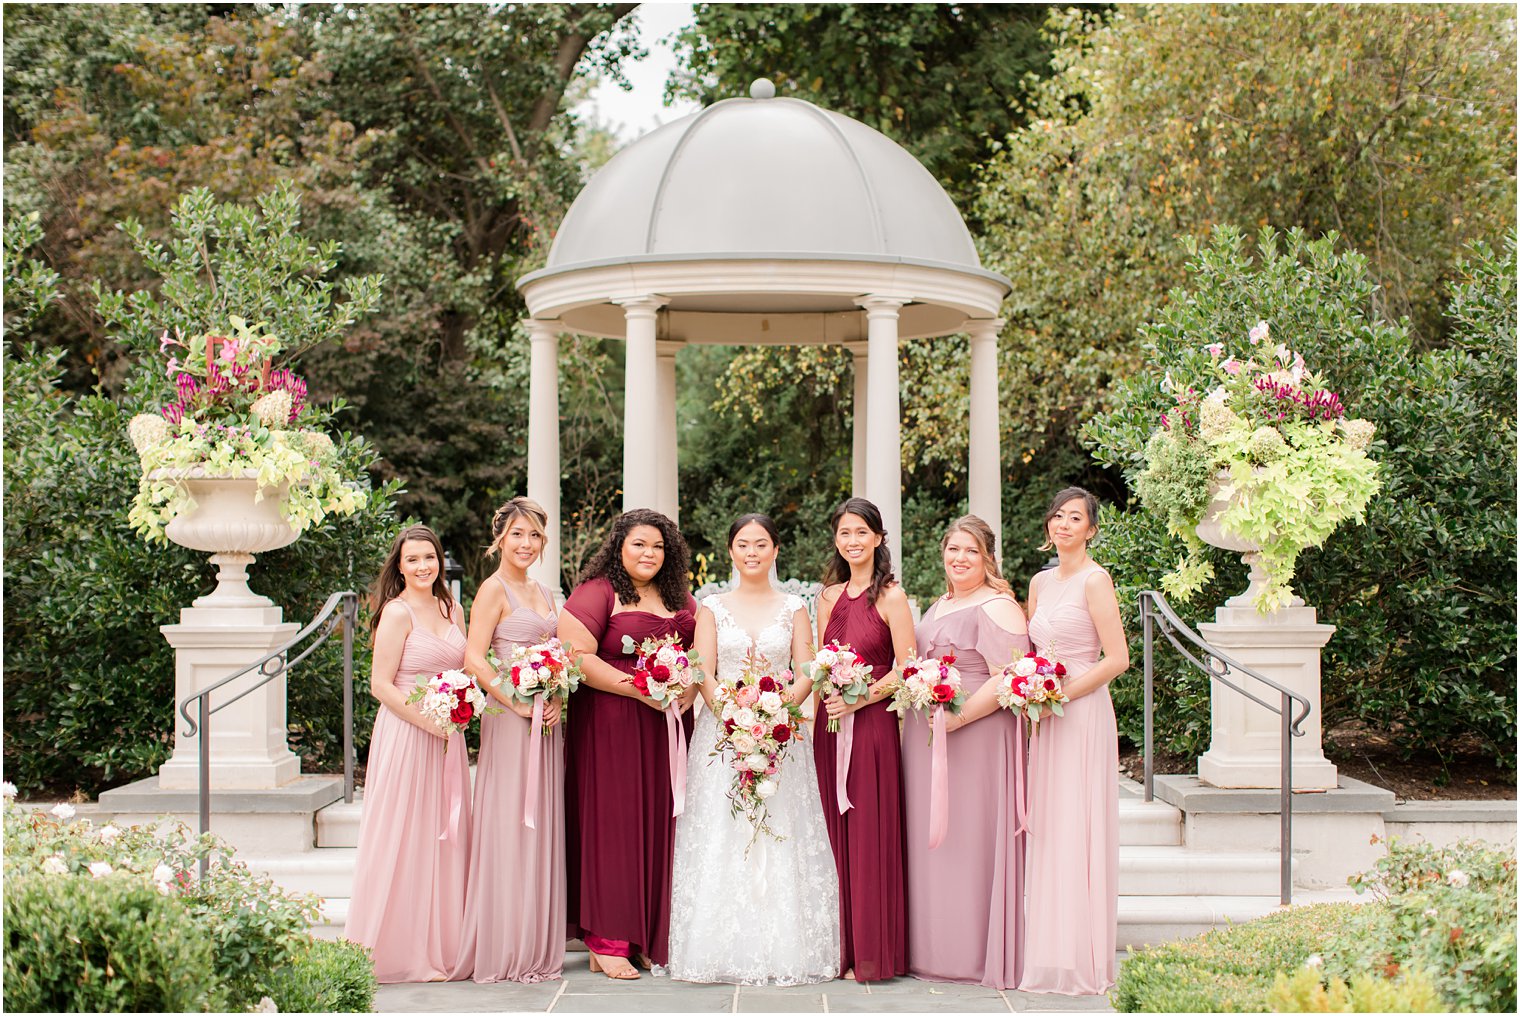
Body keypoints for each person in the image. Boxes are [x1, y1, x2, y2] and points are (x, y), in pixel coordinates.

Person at [663, 513, 840, 985]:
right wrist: (736, 718)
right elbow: (703, 669)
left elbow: (808, 669)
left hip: (783, 735)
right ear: (731, 551)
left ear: (776, 550)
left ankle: (786, 947)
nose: (752, 552)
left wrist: (775, 714)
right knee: (724, 831)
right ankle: (717, 947)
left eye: (761, 544)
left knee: (783, 829)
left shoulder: (794, 608)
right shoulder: (712, 607)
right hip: (723, 735)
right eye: (743, 544)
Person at [558, 508, 698, 980]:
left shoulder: (681, 597)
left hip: (666, 729)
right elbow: (576, 656)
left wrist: (684, 690)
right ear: (619, 545)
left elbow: (700, 656)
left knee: (657, 824)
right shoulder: (599, 591)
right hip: (610, 726)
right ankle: (606, 938)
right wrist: (637, 687)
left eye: (658, 546)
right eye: (639, 543)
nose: (649, 553)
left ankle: (641, 934)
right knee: (613, 825)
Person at [902, 515, 1030, 989]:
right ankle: (930, 948)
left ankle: (971, 953)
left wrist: (956, 719)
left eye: (971, 551)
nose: (960, 558)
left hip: (974, 735)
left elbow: (1009, 676)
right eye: (953, 549)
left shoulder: (998, 606)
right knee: (933, 843)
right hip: (927, 735)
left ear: (988, 557)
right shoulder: (939, 604)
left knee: (970, 840)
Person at [346, 524, 470, 982]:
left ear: (440, 561)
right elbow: (380, 684)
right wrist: (429, 721)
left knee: (443, 835)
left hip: (448, 737)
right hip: (406, 733)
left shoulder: (452, 606)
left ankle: (445, 945)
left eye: (430, 558)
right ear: (399, 565)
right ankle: (398, 950)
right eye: (413, 559)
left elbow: (467, 667)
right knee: (403, 835)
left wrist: (461, 708)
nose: (423, 566)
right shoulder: (396, 613)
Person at [1018, 488, 1129, 996]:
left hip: (1081, 711)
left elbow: (1117, 659)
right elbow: (1029, 648)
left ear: (1091, 529)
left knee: (1078, 823)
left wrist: (1057, 693)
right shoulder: (1039, 582)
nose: (1063, 524)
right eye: (1058, 515)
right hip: (1043, 714)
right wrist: (1028, 691)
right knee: (1049, 824)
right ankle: (1047, 950)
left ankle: (1082, 956)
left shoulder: (1096, 579)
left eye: (1075, 518)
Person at [451, 498, 565, 983]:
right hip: (509, 714)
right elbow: (474, 658)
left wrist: (556, 692)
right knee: (511, 818)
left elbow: (558, 652)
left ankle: (536, 938)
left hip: (546, 717)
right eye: (518, 534)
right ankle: (505, 942)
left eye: (535, 535)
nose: (526, 543)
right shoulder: (492, 590)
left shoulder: (544, 590)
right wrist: (514, 701)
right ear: (500, 537)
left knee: (541, 820)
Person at [812, 497, 915, 982]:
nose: (852, 541)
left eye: (861, 532)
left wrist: (861, 698)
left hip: (871, 727)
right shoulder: (827, 597)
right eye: (844, 533)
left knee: (869, 835)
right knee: (835, 835)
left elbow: (906, 669)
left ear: (877, 538)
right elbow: (818, 664)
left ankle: (874, 952)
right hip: (828, 727)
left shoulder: (892, 596)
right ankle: (842, 948)